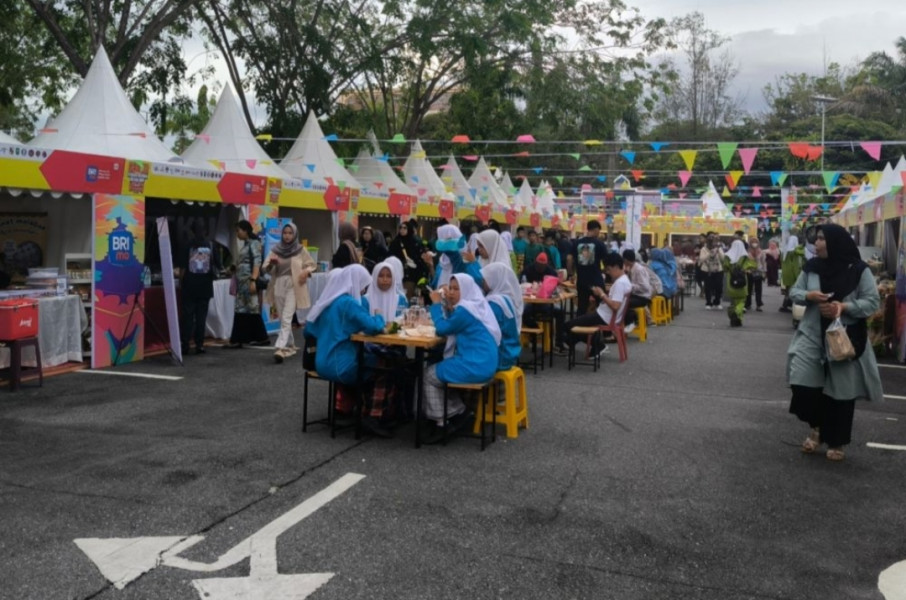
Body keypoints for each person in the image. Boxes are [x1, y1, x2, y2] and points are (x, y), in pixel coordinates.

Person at [787, 224, 882, 462]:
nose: (816, 244)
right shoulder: (812, 267)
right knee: (802, 384)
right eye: (816, 239)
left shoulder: (859, 270)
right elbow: (794, 291)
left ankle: (836, 441)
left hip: (843, 337)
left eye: (821, 239)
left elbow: (872, 302)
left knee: (841, 392)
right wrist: (808, 296)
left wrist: (843, 307)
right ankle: (817, 426)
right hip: (811, 334)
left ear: (835, 242)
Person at [423, 273, 500, 443]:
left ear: (466, 290)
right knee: (441, 369)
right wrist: (448, 305)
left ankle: (442, 423)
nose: (451, 292)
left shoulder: (465, 310)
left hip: (475, 365)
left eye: (456, 289)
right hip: (485, 362)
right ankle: (459, 411)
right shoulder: (475, 305)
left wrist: (436, 304)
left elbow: (443, 328)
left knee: (428, 375)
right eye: (450, 288)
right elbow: (454, 323)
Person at [305, 265, 387, 414]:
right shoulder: (348, 303)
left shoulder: (328, 302)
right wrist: (380, 316)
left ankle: (347, 405)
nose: (363, 290)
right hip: (341, 367)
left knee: (366, 359)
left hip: (320, 364)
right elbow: (373, 326)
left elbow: (309, 330)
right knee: (382, 363)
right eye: (363, 285)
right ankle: (373, 413)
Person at [360, 261, 411, 435]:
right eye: (381, 276)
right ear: (374, 277)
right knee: (384, 363)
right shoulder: (366, 300)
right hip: (370, 346)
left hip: (395, 346)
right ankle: (374, 415)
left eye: (389, 276)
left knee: (402, 364)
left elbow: (404, 323)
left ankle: (391, 412)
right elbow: (363, 326)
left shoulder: (400, 299)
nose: (385, 280)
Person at [263, 223, 316, 363]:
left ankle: (280, 347)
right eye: (285, 233)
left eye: (290, 233)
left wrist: (305, 271)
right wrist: (271, 264)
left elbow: (311, 264)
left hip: (294, 284)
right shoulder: (276, 249)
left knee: (287, 316)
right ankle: (290, 345)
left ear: (295, 234)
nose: (287, 236)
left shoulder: (300, 250)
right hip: (278, 284)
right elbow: (265, 267)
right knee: (282, 317)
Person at [564, 253, 631, 357]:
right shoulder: (624, 280)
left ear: (616, 267)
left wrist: (602, 294)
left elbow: (615, 306)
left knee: (569, 325)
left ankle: (597, 345)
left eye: (609, 269)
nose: (608, 272)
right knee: (576, 323)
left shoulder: (620, 283)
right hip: (607, 315)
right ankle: (572, 341)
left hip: (604, 317)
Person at [227, 220, 269, 348]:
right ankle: (244, 338)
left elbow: (257, 262)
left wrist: (253, 280)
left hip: (248, 281)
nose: (237, 234)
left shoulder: (254, 243)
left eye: (238, 231)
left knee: (250, 308)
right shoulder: (247, 244)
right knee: (244, 308)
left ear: (245, 230)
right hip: (243, 282)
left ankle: (257, 337)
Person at [179, 221, 215, 355]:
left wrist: (181, 281)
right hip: (205, 287)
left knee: (188, 317)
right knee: (201, 317)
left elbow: (182, 268)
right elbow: (215, 264)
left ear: (192, 231)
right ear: (205, 231)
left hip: (190, 286)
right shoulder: (210, 245)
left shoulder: (187, 245)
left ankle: (185, 345)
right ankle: (200, 345)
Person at [520, 252, 567, 353]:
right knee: (522, 313)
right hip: (531, 303)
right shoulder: (528, 270)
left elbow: (556, 286)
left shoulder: (551, 272)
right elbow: (521, 283)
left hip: (546, 303)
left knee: (560, 313)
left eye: (542, 266)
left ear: (546, 265)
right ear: (535, 263)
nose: (540, 268)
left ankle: (559, 343)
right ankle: (535, 331)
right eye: (538, 265)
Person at [481, 263, 522, 372]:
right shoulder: (506, 299)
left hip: (500, 356)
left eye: (485, 280)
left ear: (493, 279)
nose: (482, 283)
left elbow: (485, 331)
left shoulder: (495, 304)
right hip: (510, 352)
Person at [568, 220, 609, 317]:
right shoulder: (600, 244)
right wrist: (605, 272)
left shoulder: (577, 243)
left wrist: (571, 273)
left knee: (582, 307)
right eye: (599, 231)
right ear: (596, 229)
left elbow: (569, 259)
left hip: (582, 281)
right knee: (602, 305)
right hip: (596, 281)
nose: (599, 233)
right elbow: (606, 262)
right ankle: (602, 326)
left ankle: (579, 325)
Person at [388, 221, 427, 297]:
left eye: (405, 228)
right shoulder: (395, 242)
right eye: (400, 228)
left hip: (410, 274)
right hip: (396, 273)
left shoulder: (415, 242)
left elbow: (420, 258)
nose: (402, 230)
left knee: (407, 294)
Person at [723, 240, 756, 327]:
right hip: (742, 281)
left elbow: (725, 267)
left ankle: (737, 319)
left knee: (733, 301)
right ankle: (737, 312)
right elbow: (753, 265)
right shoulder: (745, 256)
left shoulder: (727, 256)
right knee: (742, 301)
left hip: (731, 282)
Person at [621, 250, 652, 330]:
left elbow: (645, 287)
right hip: (636, 295)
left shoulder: (639, 269)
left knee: (624, 303)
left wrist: (630, 286)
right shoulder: (631, 268)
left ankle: (631, 321)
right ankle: (628, 321)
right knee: (620, 300)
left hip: (643, 297)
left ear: (626, 260)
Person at [780, 232, 806, 313]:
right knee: (792, 290)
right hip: (792, 273)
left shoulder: (784, 251)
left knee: (787, 290)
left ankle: (785, 305)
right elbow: (795, 265)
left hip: (785, 273)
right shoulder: (794, 252)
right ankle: (788, 305)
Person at [699, 232, 724, 310]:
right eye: (711, 240)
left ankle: (717, 302)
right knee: (708, 287)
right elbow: (701, 259)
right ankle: (708, 303)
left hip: (718, 270)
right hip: (707, 270)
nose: (713, 242)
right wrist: (709, 253)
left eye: (714, 240)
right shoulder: (704, 249)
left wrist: (718, 250)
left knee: (719, 287)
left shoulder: (719, 248)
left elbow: (723, 258)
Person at [744, 237, 766, 312]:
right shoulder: (747, 252)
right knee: (748, 289)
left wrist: (764, 272)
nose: (754, 243)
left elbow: (763, 262)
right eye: (753, 242)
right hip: (749, 272)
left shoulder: (761, 252)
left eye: (756, 242)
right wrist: (746, 270)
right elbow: (745, 262)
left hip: (758, 272)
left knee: (758, 289)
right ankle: (748, 304)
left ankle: (759, 305)